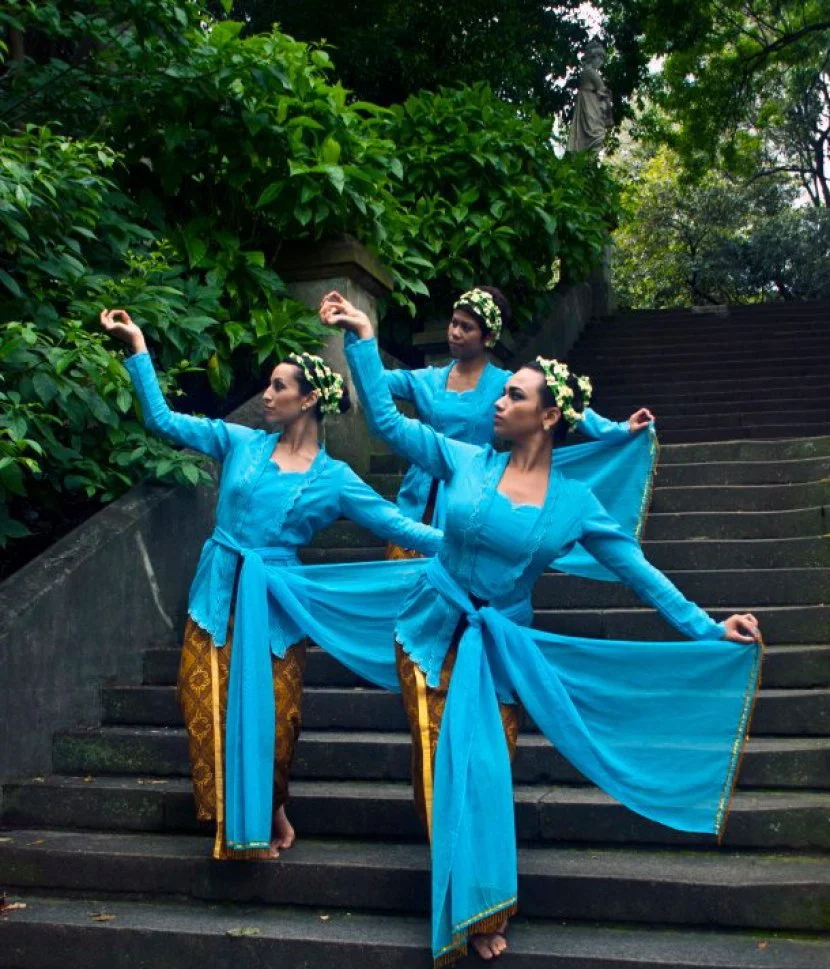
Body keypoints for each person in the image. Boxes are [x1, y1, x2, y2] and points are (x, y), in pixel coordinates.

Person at [319, 291, 763, 966]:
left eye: (516, 396)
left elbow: (642, 576)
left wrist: (707, 627)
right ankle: (457, 885)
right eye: (504, 394)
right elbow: (383, 419)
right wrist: (362, 337)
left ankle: (485, 904)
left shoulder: (576, 504)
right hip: (428, 628)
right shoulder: (467, 460)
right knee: (436, 772)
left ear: (549, 416)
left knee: (486, 770)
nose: (499, 400)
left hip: (499, 649)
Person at [99, 308, 442, 861]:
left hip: (279, 603)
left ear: (308, 400)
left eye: (278, 385)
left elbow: (398, 525)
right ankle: (241, 827)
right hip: (217, 592)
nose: (267, 393)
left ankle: (268, 807)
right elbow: (163, 420)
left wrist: (471, 541)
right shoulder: (240, 442)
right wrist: (137, 346)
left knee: (275, 723)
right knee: (203, 704)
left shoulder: (335, 479)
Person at [381, 286, 654, 559]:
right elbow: (374, 380)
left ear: (488, 338)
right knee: (402, 576)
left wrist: (618, 428)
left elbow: (561, 402)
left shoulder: (505, 383)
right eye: (454, 323)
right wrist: (356, 341)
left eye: (466, 327)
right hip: (419, 494)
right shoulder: (425, 380)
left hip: (470, 490)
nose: (455, 332)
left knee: (460, 580)